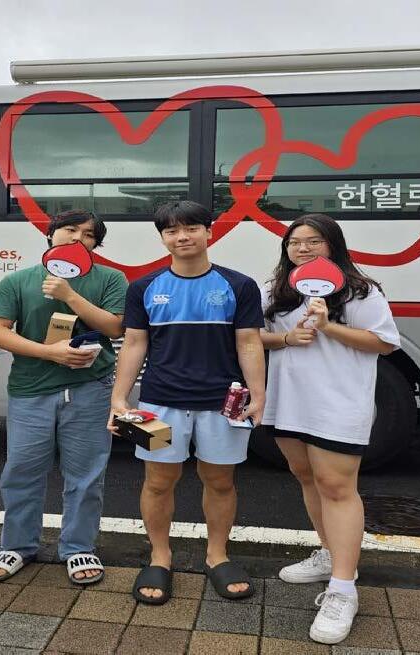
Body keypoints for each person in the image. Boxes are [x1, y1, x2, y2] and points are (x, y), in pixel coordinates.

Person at [108, 200, 266, 605]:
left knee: (220, 481)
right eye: (172, 230)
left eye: (191, 228)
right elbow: (134, 344)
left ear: (209, 232)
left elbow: (249, 342)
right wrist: (119, 398)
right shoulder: (143, 287)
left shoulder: (240, 285)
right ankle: (160, 556)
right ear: (162, 238)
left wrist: (259, 394)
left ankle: (217, 556)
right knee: (158, 482)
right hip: (159, 404)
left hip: (224, 404)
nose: (182, 237)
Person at [259, 214, 400, 645]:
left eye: (313, 241)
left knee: (337, 487)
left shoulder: (359, 290)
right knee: (307, 477)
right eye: (294, 242)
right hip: (289, 401)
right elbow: (254, 337)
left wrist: (329, 326)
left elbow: (384, 342)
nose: (302, 249)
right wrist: (285, 339)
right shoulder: (278, 290)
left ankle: (343, 588)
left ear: (332, 246)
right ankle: (328, 552)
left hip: (337, 405)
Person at [0, 210, 128, 585]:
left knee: (86, 473)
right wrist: (50, 353)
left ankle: (78, 547)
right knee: (22, 470)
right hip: (31, 389)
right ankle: (16, 545)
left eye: (88, 234)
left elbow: (115, 327)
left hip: (91, 387)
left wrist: (69, 295)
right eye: (69, 229)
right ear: (50, 235)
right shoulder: (18, 280)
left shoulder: (111, 278)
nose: (78, 238)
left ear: (96, 244)